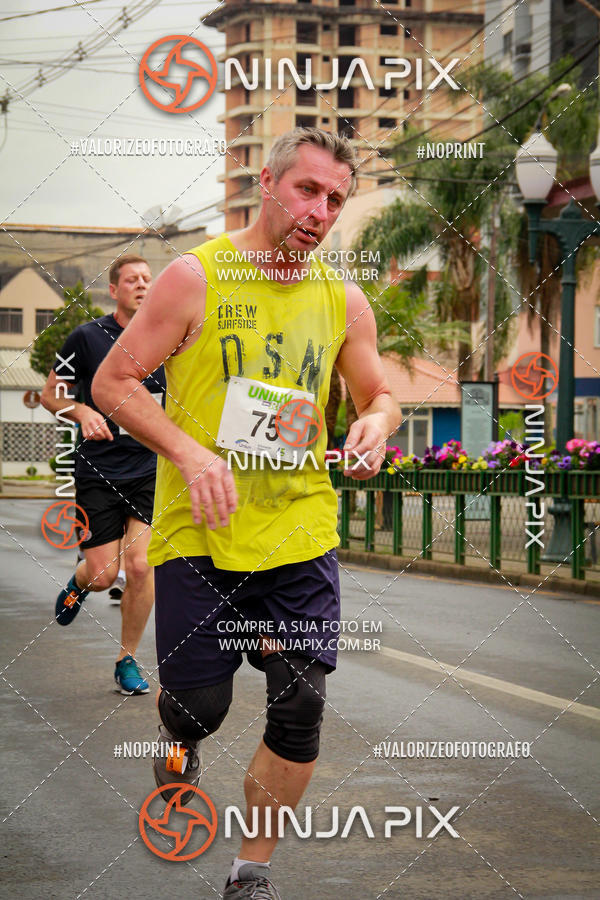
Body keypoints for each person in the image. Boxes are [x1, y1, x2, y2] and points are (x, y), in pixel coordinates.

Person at [93, 128, 401, 898]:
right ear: (266, 183)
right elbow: (115, 382)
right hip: (201, 532)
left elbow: (381, 392)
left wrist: (377, 423)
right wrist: (192, 455)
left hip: (300, 531)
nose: (321, 210)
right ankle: (180, 741)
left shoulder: (343, 297)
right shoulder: (194, 279)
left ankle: (249, 872)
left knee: (300, 704)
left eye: (335, 198)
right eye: (307, 190)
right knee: (199, 708)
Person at [41, 255, 165, 695]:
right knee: (102, 576)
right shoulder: (87, 338)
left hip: (150, 470)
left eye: (148, 278)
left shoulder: (169, 338)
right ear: (113, 290)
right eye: (132, 279)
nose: (142, 285)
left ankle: (127, 660)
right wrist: (80, 409)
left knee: (141, 566)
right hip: (99, 470)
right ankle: (80, 583)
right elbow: (50, 393)